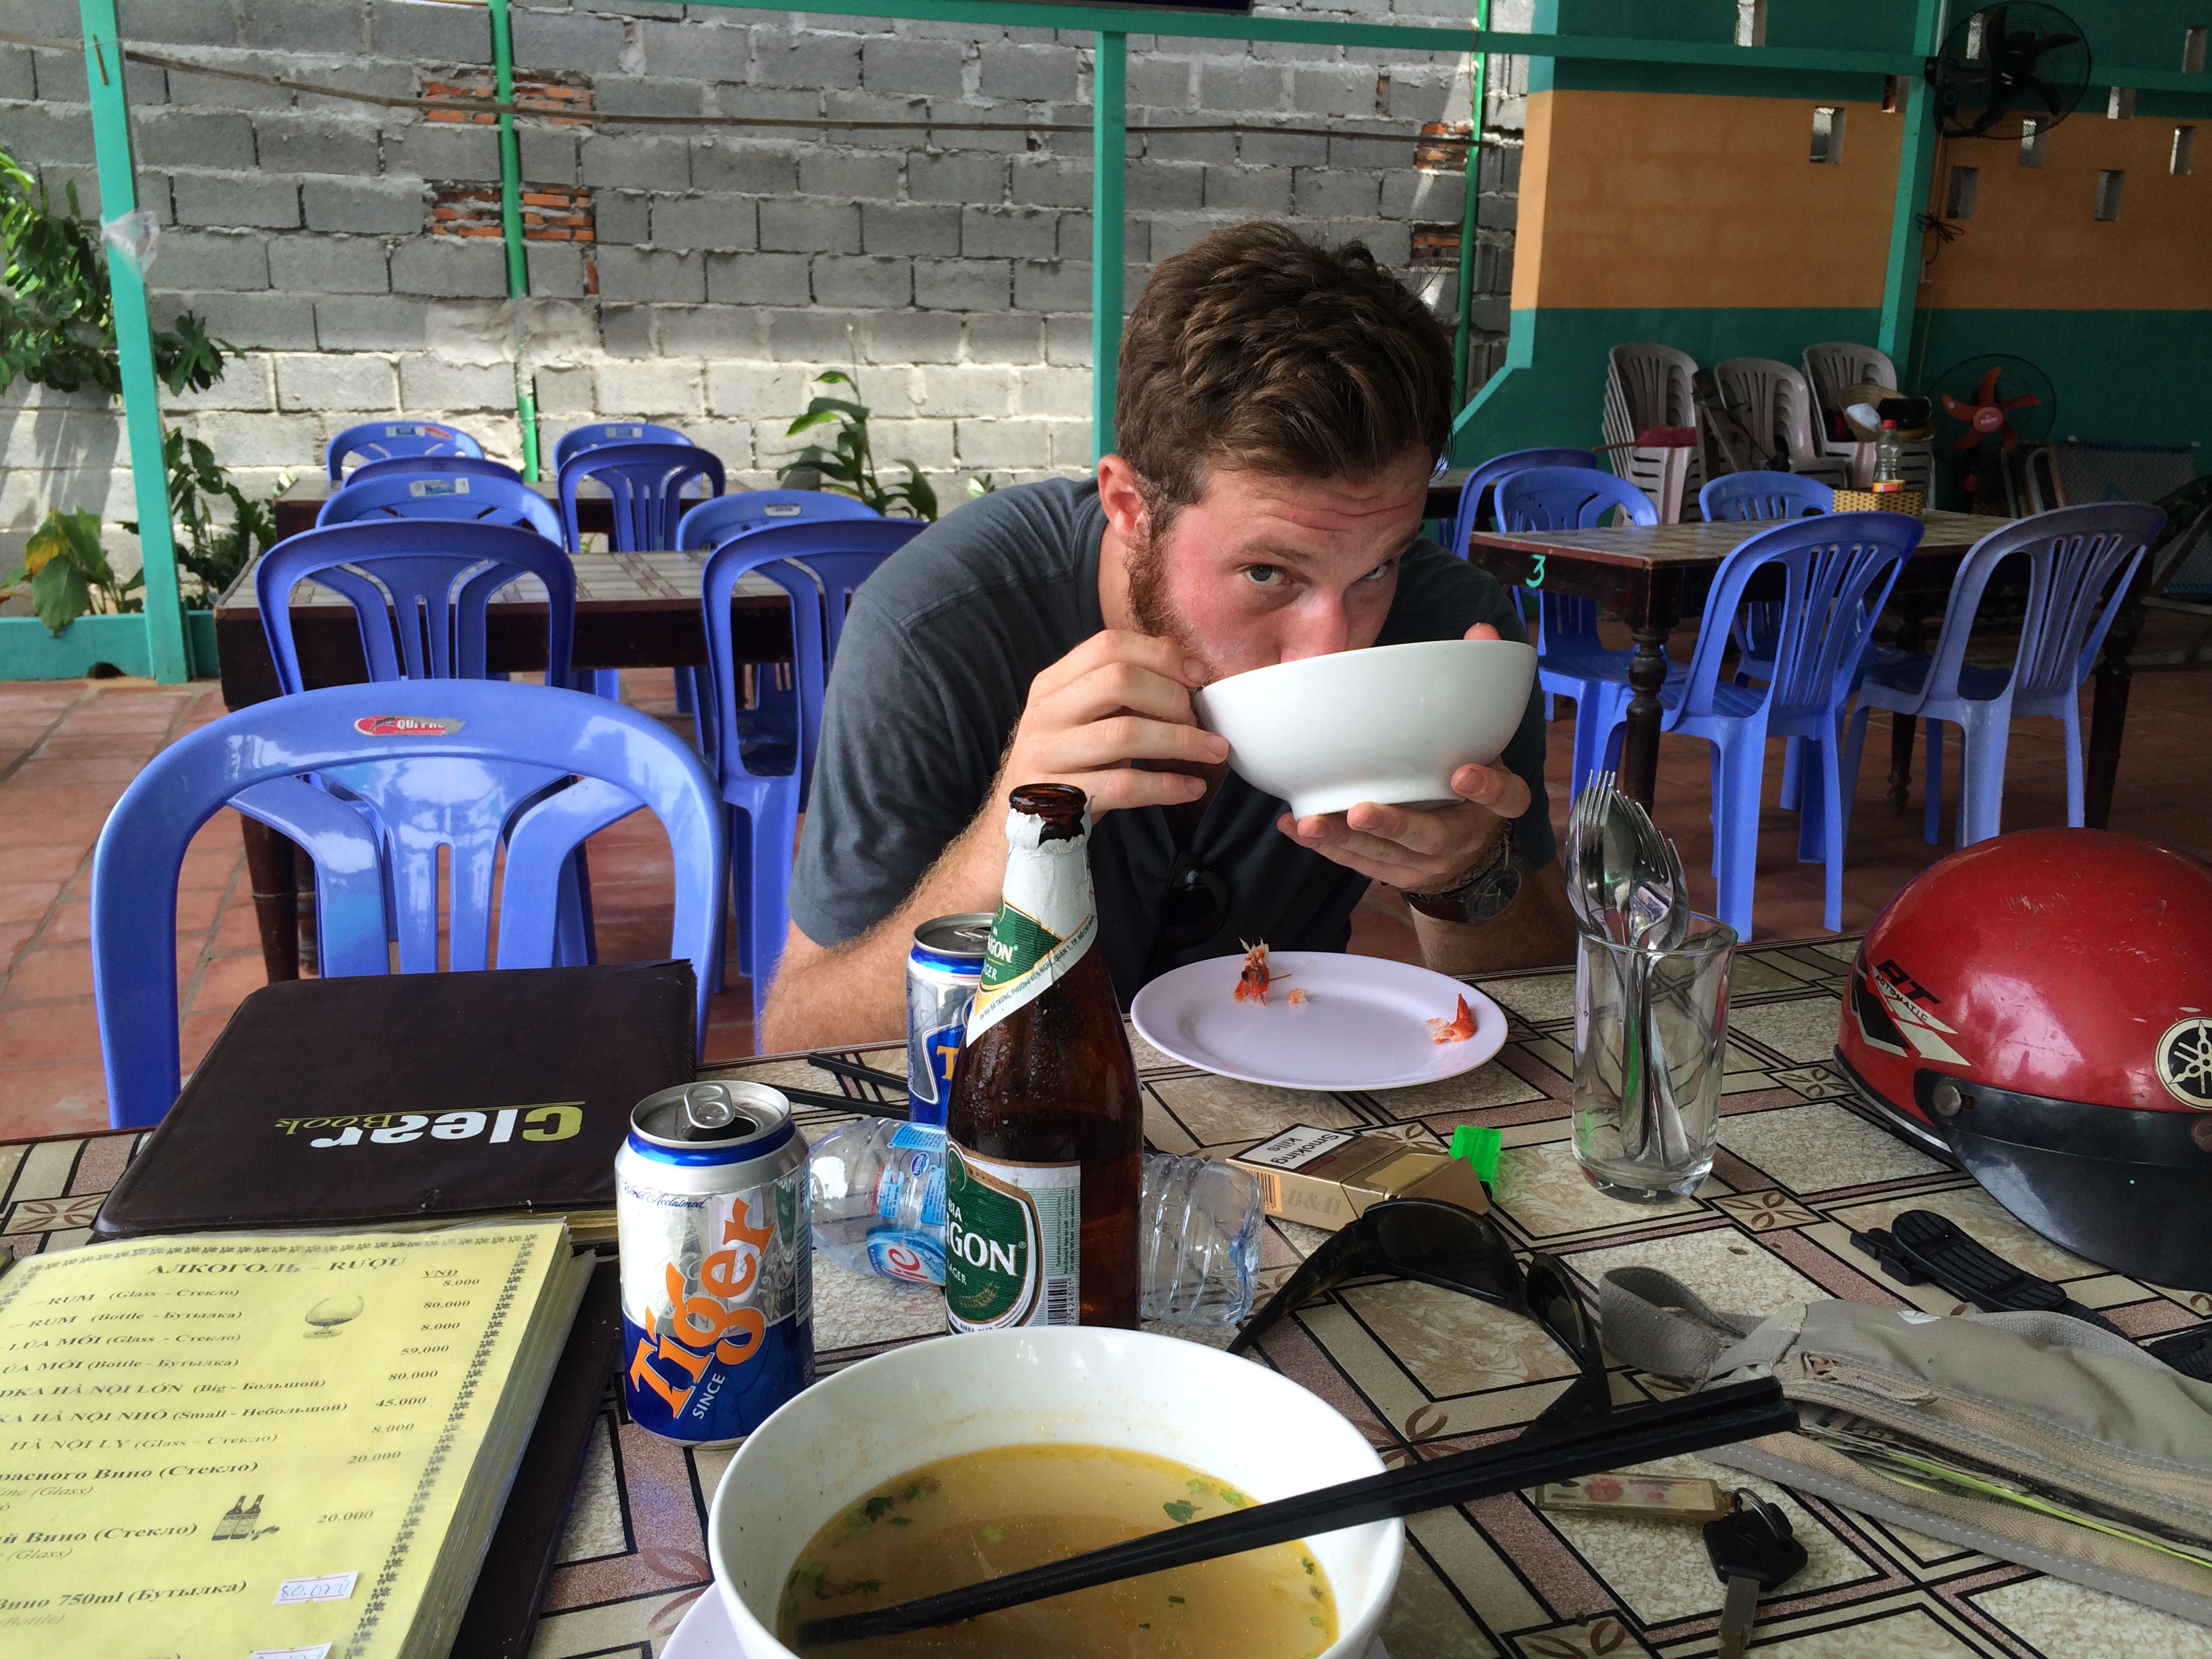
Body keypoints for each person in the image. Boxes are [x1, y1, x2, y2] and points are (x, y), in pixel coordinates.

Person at [758, 221, 1577, 1050]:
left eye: (1377, 567)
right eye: (1268, 572)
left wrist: (1467, 878)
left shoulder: (1450, 642)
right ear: (1129, 509)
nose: (1332, 646)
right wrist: (1003, 851)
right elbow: (798, 1040)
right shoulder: (936, 629)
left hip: (1291, 1097)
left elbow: (1548, 1019)